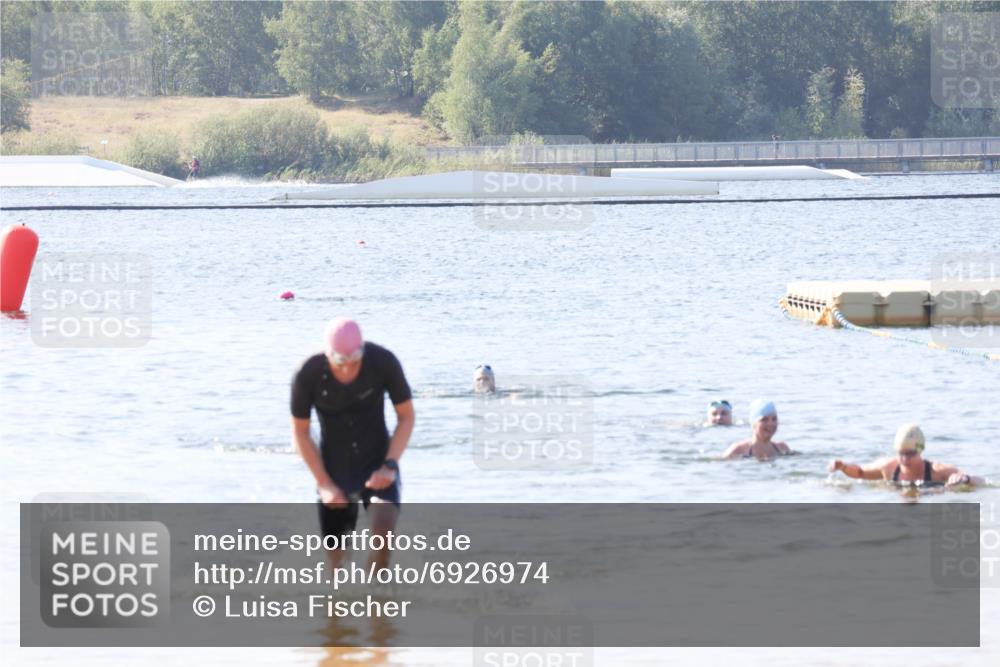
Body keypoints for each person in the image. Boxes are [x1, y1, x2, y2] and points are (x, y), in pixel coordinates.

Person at [291, 317, 415, 567]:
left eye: (355, 358)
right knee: (337, 570)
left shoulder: (382, 362)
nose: (348, 367)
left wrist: (390, 464)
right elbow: (301, 432)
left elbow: (406, 416)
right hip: (333, 471)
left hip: (378, 464)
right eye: (340, 361)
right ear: (328, 354)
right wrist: (324, 483)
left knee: (383, 535)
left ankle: (378, 596)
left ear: (363, 350)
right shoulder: (309, 373)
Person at [829, 424, 982, 488]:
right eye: (901, 454)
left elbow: (980, 481)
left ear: (921, 451)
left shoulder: (937, 470)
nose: (904, 459)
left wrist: (964, 479)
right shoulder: (888, 467)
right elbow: (860, 472)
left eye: (910, 454)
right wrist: (843, 467)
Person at [722, 399, 792, 459]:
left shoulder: (782, 448)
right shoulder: (738, 450)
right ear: (753, 424)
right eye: (764, 419)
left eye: (774, 419)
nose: (770, 423)